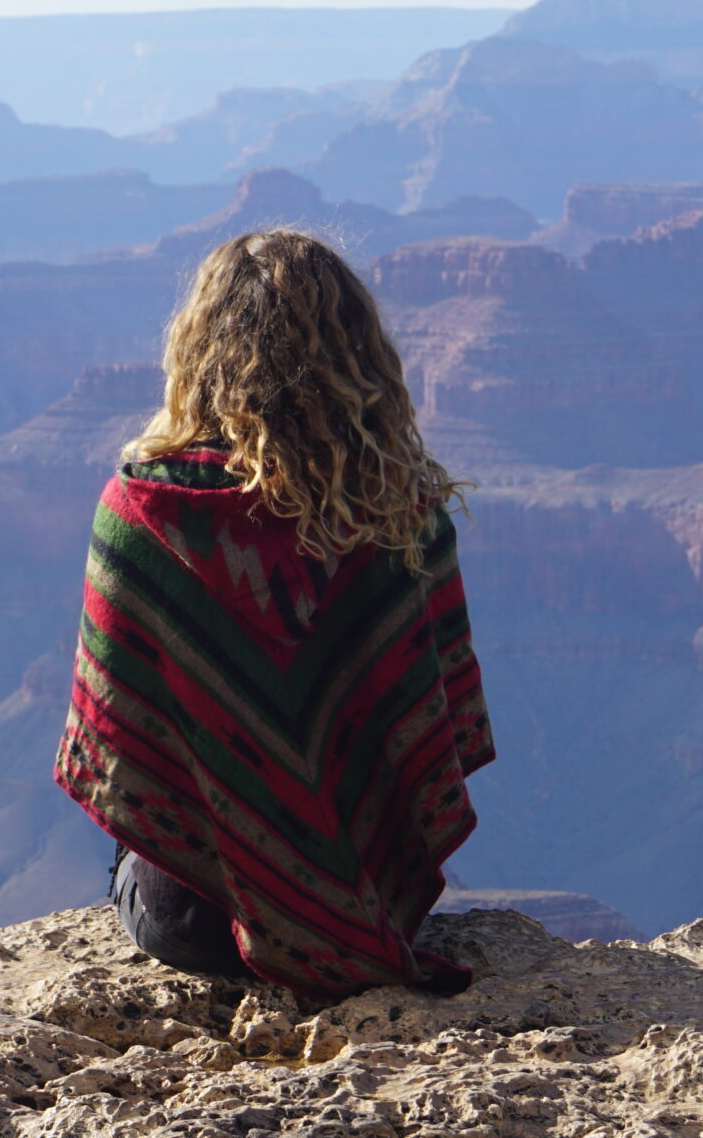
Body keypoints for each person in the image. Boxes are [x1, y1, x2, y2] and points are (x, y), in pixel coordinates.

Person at [54, 229, 494, 998]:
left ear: (201, 353)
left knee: (129, 862)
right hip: (376, 904)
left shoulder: (140, 511)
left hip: (195, 923)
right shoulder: (402, 514)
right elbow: (434, 723)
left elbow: (120, 744)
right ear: (359, 357)